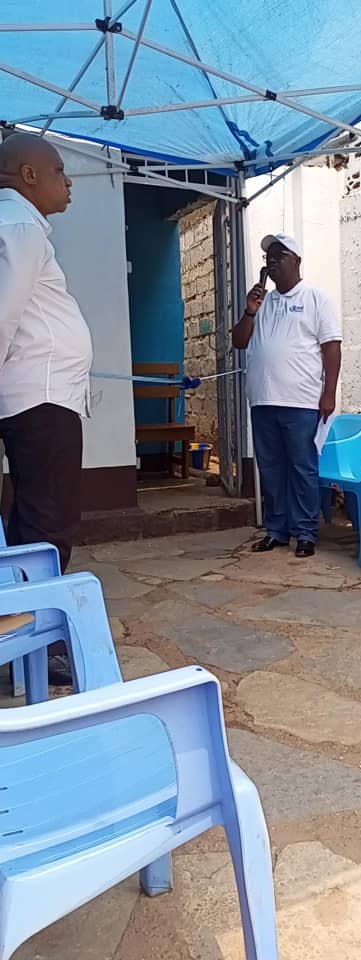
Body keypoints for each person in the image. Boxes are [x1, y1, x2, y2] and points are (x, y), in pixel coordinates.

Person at [0, 131, 93, 684]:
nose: (68, 182)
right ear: (28, 175)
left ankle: (26, 640)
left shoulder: (19, 224)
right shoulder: (19, 224)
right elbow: (3, 313)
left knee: (33, 522)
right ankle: (35, 647)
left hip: (40, 396)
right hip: (40, 398)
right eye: (59, 170)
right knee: (46, 527)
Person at [233, 233, 342, 558]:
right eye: (268, 257)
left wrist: (329, 393)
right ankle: (276, 531)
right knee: (271, 469)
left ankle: (305, 533)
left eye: (279, 255)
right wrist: (249, 311)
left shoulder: (315, 299)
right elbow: (239, 341)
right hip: (263, 401)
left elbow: (331, 347)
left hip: (301, 402)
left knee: (302, 468)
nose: (272, 261)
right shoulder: (262, 304)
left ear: (296, 260)